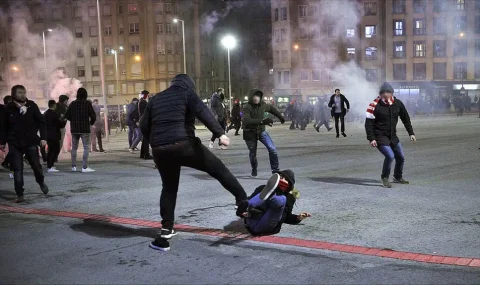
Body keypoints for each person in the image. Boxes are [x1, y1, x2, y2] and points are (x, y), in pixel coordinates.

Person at [140, 74, 248, 251]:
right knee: (218, 169)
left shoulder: (156, 98)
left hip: (160, 150)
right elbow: (203, 112)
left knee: (168, 187)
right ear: (188, 85)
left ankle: (166, 229)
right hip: (184, 145)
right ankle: (243, 200)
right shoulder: (186, 93)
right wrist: (220, 134)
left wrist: (155, 143)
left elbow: (143, 125)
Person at [0, 85, 49, 203]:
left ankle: (41, 181)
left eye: (24, 92)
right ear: (13, 94)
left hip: (30, 141)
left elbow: (42, 122)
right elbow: (3, 127)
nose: (22, 95)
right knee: (17, 169)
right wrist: (2, 142)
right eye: (19, 93)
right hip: (14, 143)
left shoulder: (32, 106)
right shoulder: (8, 108)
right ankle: (19, 193)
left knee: (37, 167)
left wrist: (43, 138)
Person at [365, 82, 416, 188]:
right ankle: (384, 178)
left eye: (388, 92)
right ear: (380, 93)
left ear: (392, 93)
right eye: (383, 92)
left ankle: (397, 177)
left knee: (401, 156)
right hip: (380, 136)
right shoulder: (374, 105)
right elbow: (368, 124)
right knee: (390, 156)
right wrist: (371, 138)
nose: (385, 94)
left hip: (392, 136)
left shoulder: (398, 104)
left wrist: (411, 133)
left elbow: (405, 119)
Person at [242, 170, 311, 235]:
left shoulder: (290, 198)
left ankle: (273, 197)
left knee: (282, 199)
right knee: (277, 199)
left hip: (268, 226)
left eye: (285, 179)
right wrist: (246, 210)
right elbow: (248, 204)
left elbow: (286, 217)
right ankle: (269, 197)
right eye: (280, 177)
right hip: (252, 221)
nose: (282, 180)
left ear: (290, 184)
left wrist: (298, 218)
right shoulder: (262, 188)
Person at [243, 89, 285, 178]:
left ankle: (275, 170)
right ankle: (254, 168)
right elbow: (247, 120)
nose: (256, 98)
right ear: (251, 97)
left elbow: (271, 109)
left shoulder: (263, 105)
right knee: (253, 153)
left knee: (272, 149)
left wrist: (280, 116)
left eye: (258, 96)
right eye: (254, 96)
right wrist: (262, 121)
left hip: (261, 131)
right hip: (250, 132)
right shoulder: (247, 107)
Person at [65, 88, 96, 173]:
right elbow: (93, 115)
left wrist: (73, 120)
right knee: (86, 147)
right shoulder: (87, 104)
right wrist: (91, 123)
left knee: (74, 147)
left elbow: (66, 115)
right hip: (85, 128)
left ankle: (73, 166)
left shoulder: (72, 104)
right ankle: (84, 167)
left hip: (74, 129)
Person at [44, 100, 67, 172]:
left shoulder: (46, 113)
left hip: (47, 134)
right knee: (56, 150)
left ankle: (49, 165)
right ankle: (50, 166)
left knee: (50, 150)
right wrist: (64, 120)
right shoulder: (55, 114)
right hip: (55, 134)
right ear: (54, 105)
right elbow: (61, 125)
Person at [138, 90, 153, 159]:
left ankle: (142, 154)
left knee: (145, 138)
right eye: (147, 95)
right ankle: (146, 154)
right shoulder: (143, 102)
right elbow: (148, 111)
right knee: (147, 138)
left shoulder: (140, 101)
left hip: (142, 120)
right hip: (145, 120)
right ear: (145, 95)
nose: (147, 96)